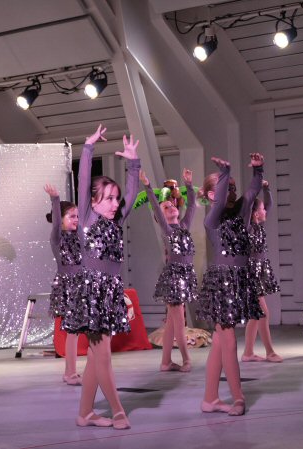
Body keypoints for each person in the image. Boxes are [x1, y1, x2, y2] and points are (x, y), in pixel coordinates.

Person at [63, 125, 140, 430]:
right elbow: (83, 181)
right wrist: (88, 148)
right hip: (90, 291)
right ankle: (118, 410)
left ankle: (85, 413)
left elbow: (132, 195)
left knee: (96, 359)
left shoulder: (116, 221)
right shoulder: (86, 216)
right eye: (108, 198)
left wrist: (133, 164)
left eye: (115, 199)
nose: (114, 203)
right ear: (93, 201)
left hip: (110, 290)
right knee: (103, 355)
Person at [197, 153, 266, 415]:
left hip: (240, 279)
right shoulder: (211, 220)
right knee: (228, 343)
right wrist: (224, 174)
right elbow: (217, 205)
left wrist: (258, 170)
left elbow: (253, 190)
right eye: (227, 187)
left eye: (234, 187)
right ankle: (238, 397)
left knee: (219, 343)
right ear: (211, 195)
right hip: (221, 282)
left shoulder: (241, 212)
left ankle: (210, 399)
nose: (233, 191)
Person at [139, 168, 198, 373]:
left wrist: (188, 185)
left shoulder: (184, 225)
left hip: (185, 275)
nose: (171, 207)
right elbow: (155, 207)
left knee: (173, 323)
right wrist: (147, 186)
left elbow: (192, 206)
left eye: (172, 205)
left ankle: (165, 362)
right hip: (173, 278)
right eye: (166, 207)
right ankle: (186, 359)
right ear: (161, 216)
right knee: (179, 322)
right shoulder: (167, 229)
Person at [44, 187, 83, 385]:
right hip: (67, 286)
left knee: (76, 332)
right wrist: (55, 199)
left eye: (77, 216)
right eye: (71, 216)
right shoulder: (57, 238)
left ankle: (71, 372)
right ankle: (70, 373)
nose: (76, 220)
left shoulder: (80, 236)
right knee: (72, 332)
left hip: (81, 285)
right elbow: (57, 223)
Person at [241, 180, 283, 363]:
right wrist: (256, 186)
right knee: (262, 313)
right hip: (250, 274)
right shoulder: (247, 228)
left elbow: (270, 204)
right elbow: (248, 207)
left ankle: (248, 352)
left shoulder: (259, 227)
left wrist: (266, 189)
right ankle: (269, 352)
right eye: (262, 209)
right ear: (255, 213)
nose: (266, 211)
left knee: (255, 315)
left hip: (258, 273)